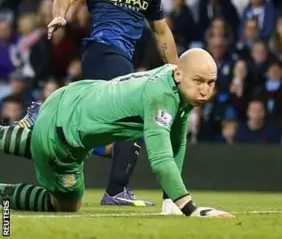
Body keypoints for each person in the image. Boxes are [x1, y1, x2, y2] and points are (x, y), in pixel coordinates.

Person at [41, 0, 179, 207]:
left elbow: (162, 32)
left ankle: (52, 131)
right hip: (103, 52)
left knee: (111, 127)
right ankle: (116, 191)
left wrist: (175, 70)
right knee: (140, 112)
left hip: (118, 59)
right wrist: (59, 16)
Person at [0, 49, 232, 217]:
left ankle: (28, 134)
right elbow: (161, 159)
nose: (205, 90)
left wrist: (170, 199)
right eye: (199, 81)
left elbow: (176, 141)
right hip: (63, 136)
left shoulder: (176, 80)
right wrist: (190, 209)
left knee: (44, 140)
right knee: (67, 205)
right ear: (180, 75)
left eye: (211, 83)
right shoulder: (161, 97)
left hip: (67, 98)